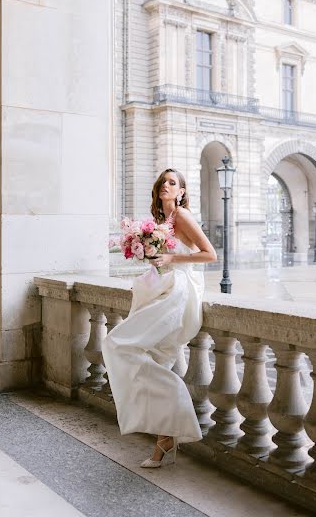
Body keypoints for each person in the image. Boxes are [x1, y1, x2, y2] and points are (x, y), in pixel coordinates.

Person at [102, 168, 217, 468]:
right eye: (163, 182)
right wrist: (150, 267)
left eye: (173, 183)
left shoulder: (182, 216)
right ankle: (165, 439)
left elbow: (210, 255)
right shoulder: (159, 223)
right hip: (160, 286)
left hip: (178, 291)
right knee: (155, 358)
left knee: (117, 343)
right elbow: (160, 260)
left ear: (181, 191)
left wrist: (171, 259)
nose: (166, 186)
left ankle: (176, 396)